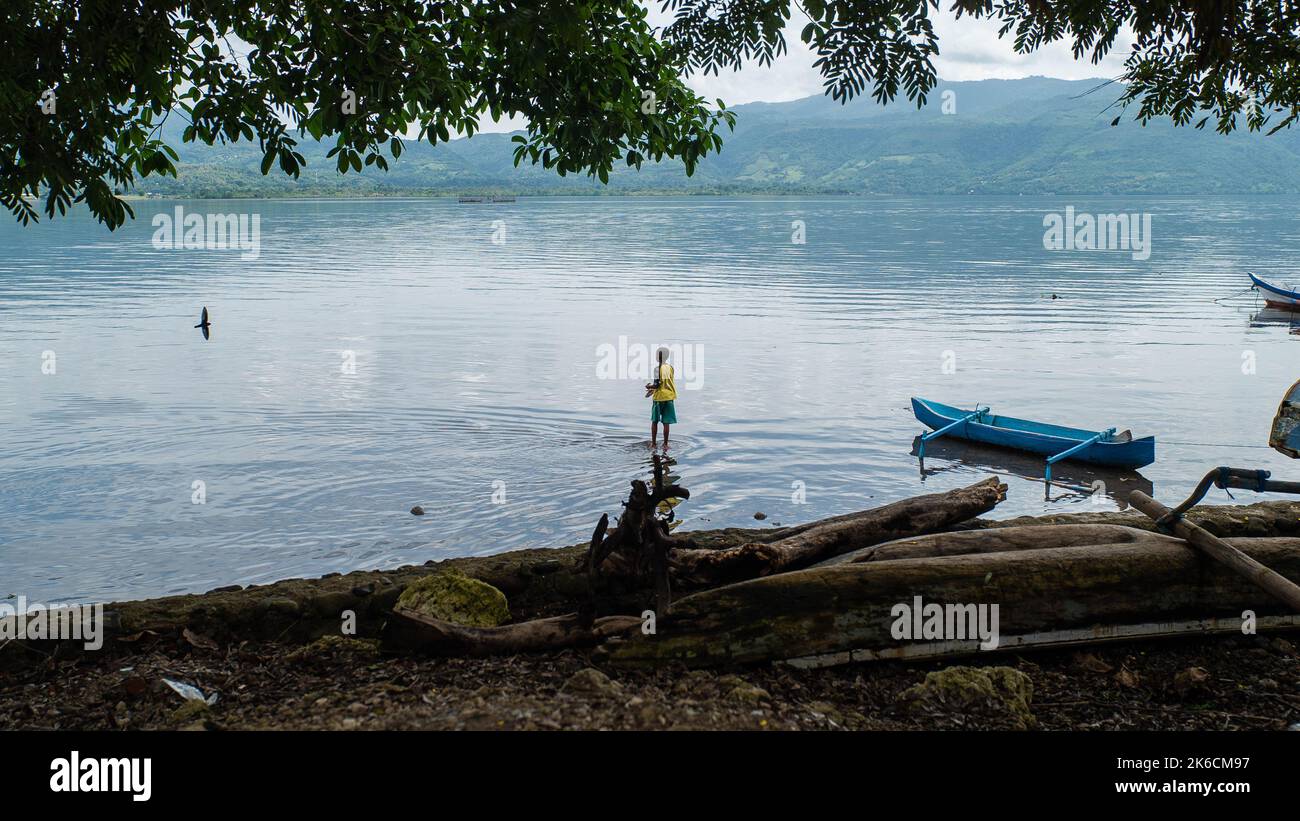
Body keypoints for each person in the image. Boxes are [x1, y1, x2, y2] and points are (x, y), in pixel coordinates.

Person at [645, 346, 677, 450]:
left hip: (659, 398)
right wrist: (653, 388)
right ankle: (665, 444)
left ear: (658, 356)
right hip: (669, 397)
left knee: (655, 421)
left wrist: (649, 387)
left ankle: (653, 444)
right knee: (666, 422)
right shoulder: (671, 367)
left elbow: (657, 385)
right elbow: (665, 383)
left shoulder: (657, 369)